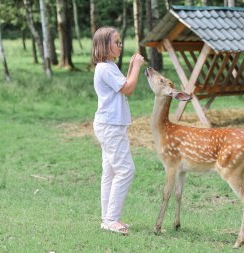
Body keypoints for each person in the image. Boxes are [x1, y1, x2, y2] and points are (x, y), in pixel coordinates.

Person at [91, 26, 145, 235]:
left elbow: (124, 85)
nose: (120, 46)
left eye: (120, 42)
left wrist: (131, 65)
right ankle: (112, 219)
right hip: (110, 127)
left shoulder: (110, 66)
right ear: (105, 46)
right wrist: (137, 67)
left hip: (111, 125)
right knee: (125, 170)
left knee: (111, 171)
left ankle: (108, 219)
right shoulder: (105, 68)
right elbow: (129, 89)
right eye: (116, 42)